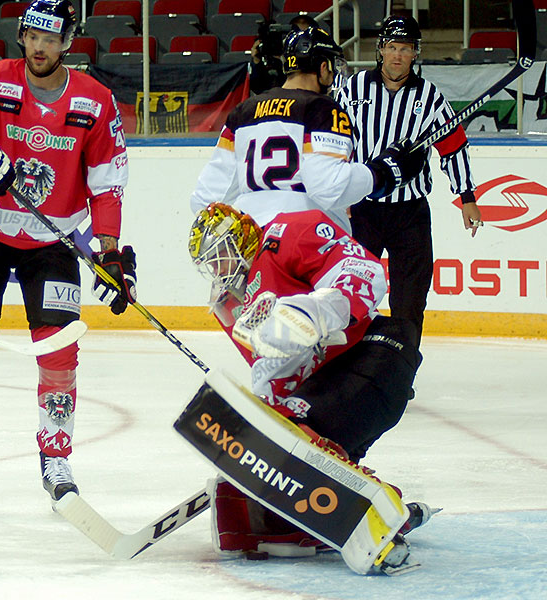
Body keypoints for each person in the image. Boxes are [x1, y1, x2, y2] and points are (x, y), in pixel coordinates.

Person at [0, 0, 134, 509]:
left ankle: (56, 457)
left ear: (68, 44)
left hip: (52, 238)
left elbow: (108, 183)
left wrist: (109, 251)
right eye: (32, 36)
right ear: (22, 36)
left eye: (51, 39)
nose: (39, 47)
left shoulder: (96, 101)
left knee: (59, 351)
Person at [186, 202, 432, 569]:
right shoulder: (234, 308)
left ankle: (380, 508)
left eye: (220, 255)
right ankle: (285, 523)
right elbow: (276, 375)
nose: (219, 270)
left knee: (305, 434)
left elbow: (364, 271)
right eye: (211, 263)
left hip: (377, 353)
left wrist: (313, 311)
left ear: (240, 238)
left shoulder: (286, 233)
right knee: (283, 440)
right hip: (325, 382)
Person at [190, 27, 429, 235]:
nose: (334, 74)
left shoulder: (242, 113)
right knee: (371, 279)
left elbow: (206, 198)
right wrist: (381, 173)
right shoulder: (323, 110)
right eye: (333, 66)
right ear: (323, 66)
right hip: (309, 242)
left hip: (255, 242)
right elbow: (329, 189)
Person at [334, 15, 480, 349]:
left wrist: (467, 196)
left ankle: (400, 372)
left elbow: (452, 146)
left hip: (410, 215)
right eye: (392, 47)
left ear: (416, 54)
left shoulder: (429, 98)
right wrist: (335, 191)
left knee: (410, 302)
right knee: (353, 294)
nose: (398, 55)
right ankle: (349, 366)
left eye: (405, 49)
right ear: (380, 50)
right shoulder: (352, 90)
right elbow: (335, 142)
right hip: (362, 211)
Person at [248, 15, 320, 95]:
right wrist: (257, 61)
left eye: (304, 38)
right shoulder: (278, 62)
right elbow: (259, 89)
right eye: (295, 36)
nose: (299, 42)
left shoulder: (320, 62)